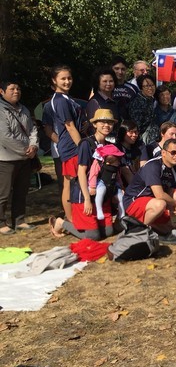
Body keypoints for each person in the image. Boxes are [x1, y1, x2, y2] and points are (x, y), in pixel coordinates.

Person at [49, 109, 117, 240]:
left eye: (109, 122)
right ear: (95, 124)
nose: (106, 125)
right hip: (84, 194)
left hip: (102, 195)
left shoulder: (110, 145)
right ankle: (60, 223)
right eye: (102, 122)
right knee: (93, 236)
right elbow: (81, 172)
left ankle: (95, 224)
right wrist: (86, 199)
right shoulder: (86, 144)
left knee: (108, 232)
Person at [122, 138, 176, 243]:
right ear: (163, 153)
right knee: (161, 204)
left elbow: (169, 194)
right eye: (173, 152)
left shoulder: (175, 170)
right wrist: (175, 204)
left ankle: (140, 226)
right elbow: (160, 195)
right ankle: (138, 234)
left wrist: (174, 216)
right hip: (134, 201)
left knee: (171, 229)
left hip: (152, 204)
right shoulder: (153, 165)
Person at [0, 80, 38, 234]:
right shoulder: (1, 110)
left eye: (18, 88)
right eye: (12, 89)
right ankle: (1, 223)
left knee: (21, 191)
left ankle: (19, 220)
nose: (16, 91)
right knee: (3, 193)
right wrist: (25, 150)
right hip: (6, 159)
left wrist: (34, 146)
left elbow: (33, 129)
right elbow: (5, 136)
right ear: (2, 92)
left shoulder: (24, 109)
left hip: (25, 158)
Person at [49, 65, 85, 222]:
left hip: (74, 145)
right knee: (69, 183)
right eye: (62, 78)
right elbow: (69, 126)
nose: (67, 81)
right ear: (54, 80)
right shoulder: (60, 101)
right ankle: (69, 220)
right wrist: (82, 146)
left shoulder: (67, 98)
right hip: (71, 148)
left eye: (69, 78)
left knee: (75, 182)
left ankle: (75, 216)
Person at [88, 144, 125, 221]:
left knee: (121, 196)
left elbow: (117, 176)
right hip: (101, 181)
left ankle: (122, 214)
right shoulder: (99, 162)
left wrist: (121, 186)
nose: (118, 162)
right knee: (101, 191)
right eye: (116, 160)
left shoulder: (116, 167)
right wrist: (92, 186)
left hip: (112, 183)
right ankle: (99, 210)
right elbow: (93, 174)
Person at [86, 68, 120, 136]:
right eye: (105, 81)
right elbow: (92, 128)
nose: (108, 84)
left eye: (111, 81)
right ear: (98, 83)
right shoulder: (94, 102)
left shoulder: (116, 101)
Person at [127, 74, 158, 144]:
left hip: (153, 139)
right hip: (142, 141)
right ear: (141, 88)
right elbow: (136, 125)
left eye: (152, 85)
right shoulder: (137, 102)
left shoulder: (151, 100)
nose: (150, 88)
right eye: (146, 86)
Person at [116, 119, 143, 186]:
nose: (134, 135)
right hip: (126, 185)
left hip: (141, 180)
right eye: (131, 132)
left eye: (136, 132)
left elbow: (144, 167)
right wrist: (137, 189)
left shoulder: (140, 145)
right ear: (123, 133)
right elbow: (126, 172)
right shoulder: (117, 149)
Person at [110, 56, 136, 120]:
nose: (120, 72)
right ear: (111, 69)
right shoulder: (105, 87)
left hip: (129, 124)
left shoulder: (133, 88)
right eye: (116, 69)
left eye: (123, 69)